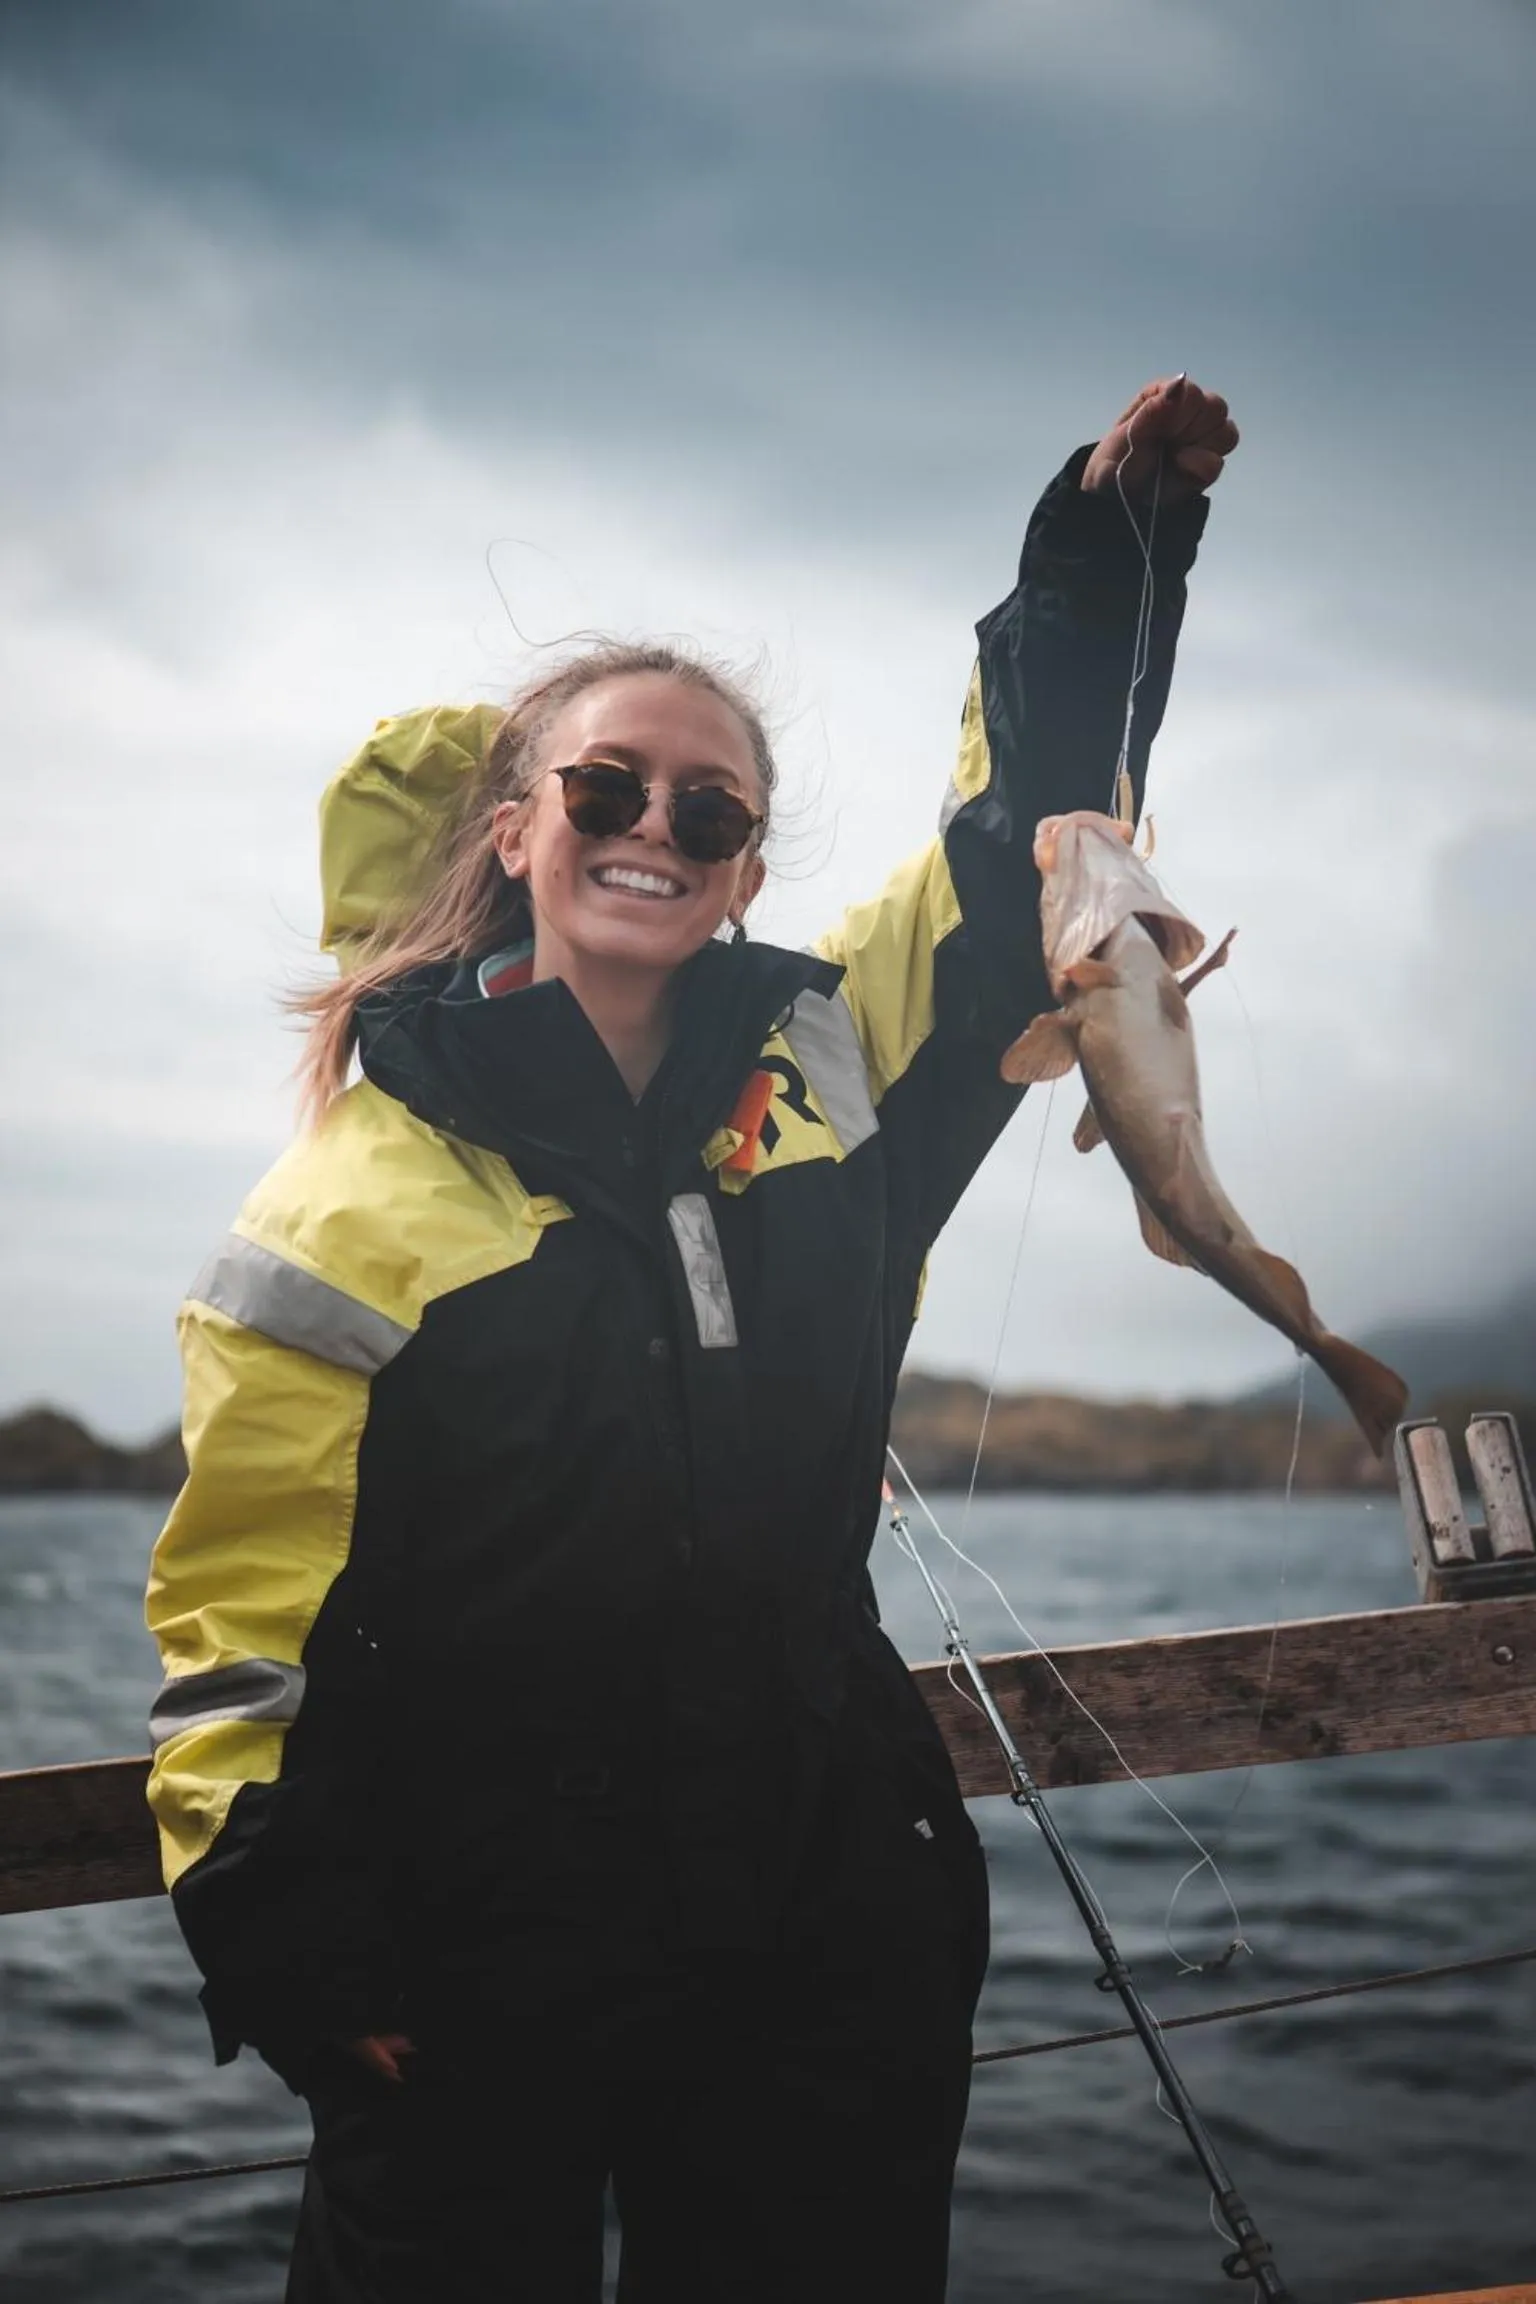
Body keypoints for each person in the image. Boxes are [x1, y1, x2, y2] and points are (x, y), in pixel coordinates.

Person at [144, 376, 1238, 2304]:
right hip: (464, 1961)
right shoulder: (342, 1202)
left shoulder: (842, 1068)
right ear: (522, 828)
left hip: (822, 1936)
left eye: (710, 808)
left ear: (745, 861)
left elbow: (1016, 850)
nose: (658, 827)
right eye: (607, 790)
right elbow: (240, 1620)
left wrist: (1102, 546)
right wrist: (286, 1936)